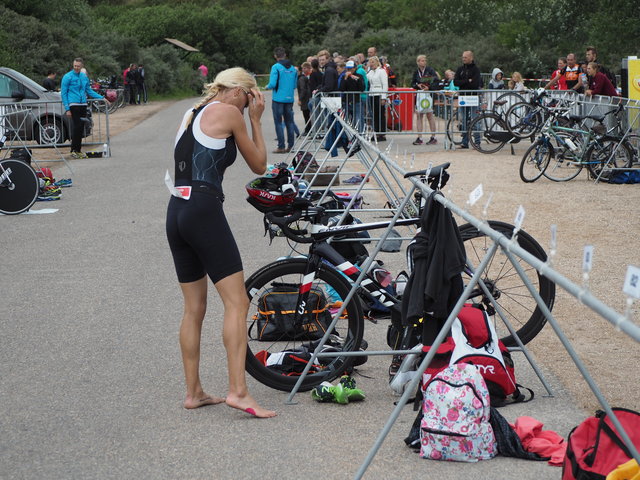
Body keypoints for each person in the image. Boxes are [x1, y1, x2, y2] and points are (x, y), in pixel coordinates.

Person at [165, 66, 276, 418]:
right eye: (249, 98)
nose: (248, 106)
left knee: (194, 308)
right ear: (239, 92)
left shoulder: (191, 112)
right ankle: (238, 391)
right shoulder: (229, 112)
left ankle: (194, 391)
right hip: (202, 208)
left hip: (176, 209)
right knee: (237, 302)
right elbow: (259, 164)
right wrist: (256, 121)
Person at [60, 57, 107, 158]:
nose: (76, 68)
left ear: (81, 66)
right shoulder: (67, 77)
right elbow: (64, 93)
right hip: (74, 104)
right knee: (76, 127)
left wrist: (102, 98)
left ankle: (78, 150)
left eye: (78, 66)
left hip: (83, 104)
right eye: (75, 66)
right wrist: (67, 108)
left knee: (81, 127)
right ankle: (73, 150)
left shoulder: (83, 77)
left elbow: (89, 91)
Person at [265, 47, 298, 153]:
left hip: (278, 99)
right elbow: (294, 85)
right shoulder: (293, 68)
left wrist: (267, 87)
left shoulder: (276, 67)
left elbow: (273, 84)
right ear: (285, 55)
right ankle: (291, 146)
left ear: (275, 56)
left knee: (278, 122)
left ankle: (281, 146)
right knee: (289, 122)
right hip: (289, 99)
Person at [453, 50, 482, 148]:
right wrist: (467, 81)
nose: (463, 59)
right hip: (463, 97)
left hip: (473, 97)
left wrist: (464, 82)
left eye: (465, 57)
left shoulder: (476, 70)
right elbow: (456, 82)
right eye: (463, 57)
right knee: (464, 120)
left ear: (471, 58)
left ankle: (477, 142)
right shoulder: (460, 69)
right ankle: (465, 142)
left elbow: (475, 83)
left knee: (475, 119)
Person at [411, 54, 440, 145]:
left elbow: (437, 82)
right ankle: (419, 137)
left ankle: (433, 137)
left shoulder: (430, 70)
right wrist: (417, 86)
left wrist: (429, 87)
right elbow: (412, 83)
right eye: (422, 60)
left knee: (430, 115)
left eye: (425, 60)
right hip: (420, 95)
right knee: (419, 115)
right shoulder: (416, 72)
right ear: (418, 62)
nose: (424, 62)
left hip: (429, 95)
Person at [367, 55, 388, 142]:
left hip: (379, 93)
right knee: (374, 115)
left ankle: (382, 134)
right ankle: (376, 132)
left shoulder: (381, 71)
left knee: (380, 114)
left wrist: (383, 97)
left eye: (373, 62)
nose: (371, 64)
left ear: (377, 62)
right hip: (372, 94)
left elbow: (385, 84)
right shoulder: (370, 72)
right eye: (370, 62)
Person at [297, 62, 312, 135]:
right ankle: (308, 129)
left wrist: (300, 99)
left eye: (305, 68)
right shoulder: (305, 77)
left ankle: (308, 130)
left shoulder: (302, 78)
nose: (303, 69)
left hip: (305, 99)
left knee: (306, 115)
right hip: (307, 98)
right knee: (307, 115)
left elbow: (303, 89)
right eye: (303, 68)